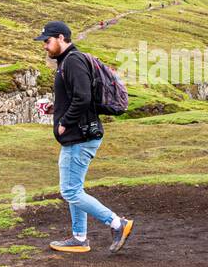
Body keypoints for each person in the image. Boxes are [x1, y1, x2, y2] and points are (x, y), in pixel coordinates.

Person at [34, 21, 134, 254]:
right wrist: (54, 108)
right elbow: (76, 98)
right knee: (74, 189)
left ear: (61, 38)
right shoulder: (66, 62)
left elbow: (83, 97)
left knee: (70, 191)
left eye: (47, 42)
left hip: (79, 136)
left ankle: (118, 224)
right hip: (78, 135)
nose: (45, 47)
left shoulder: (73, 61)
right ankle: (79, 238)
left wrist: (64, 123)